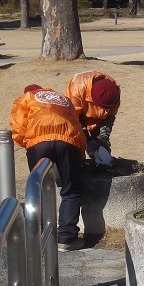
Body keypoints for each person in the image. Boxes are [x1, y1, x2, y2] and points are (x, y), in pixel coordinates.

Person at [9, 84, 87, 252]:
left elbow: (18, 127)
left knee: (40, 190)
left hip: (39, 143)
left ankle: (41, 234)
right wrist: (80, 156)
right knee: (71, 190)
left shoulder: (26, 98)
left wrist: (29, 143)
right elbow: (76, 124)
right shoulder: (63, 99)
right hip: (68, 141)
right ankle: (67, 239)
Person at [65, 71, 121, 168]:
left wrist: (103, 137)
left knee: (103, 149)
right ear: (93, 100)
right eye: (103, 107)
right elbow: (74, 120)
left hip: (98, 120)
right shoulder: (77, 89)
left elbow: (110, 117)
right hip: (78, 116)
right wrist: (88, 140)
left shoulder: (113, 91)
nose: (105, 110)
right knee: (77, 147)